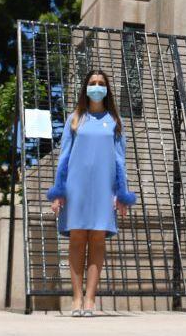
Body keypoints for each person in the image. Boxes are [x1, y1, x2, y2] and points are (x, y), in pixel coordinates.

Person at [47, 70, 137, 317]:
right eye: (92, 83)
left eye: (101, 84)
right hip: (76, 187)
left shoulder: (115, 122)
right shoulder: (75, 118)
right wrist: (58, 191)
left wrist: (122, 193)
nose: (96, 87)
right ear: (85, 87)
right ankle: (76, 299)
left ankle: (89, 300)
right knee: (77, 239)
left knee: (97, 239)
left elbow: (121, 161)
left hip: (103, 188)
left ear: (107, 89)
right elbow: (63, 157)